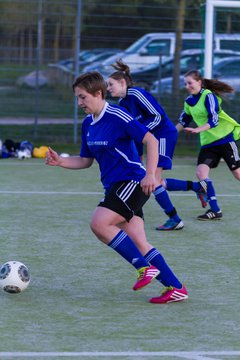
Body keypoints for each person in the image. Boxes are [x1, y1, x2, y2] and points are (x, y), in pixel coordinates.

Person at [46, 71, 188, 304]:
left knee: (99, 223)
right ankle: (176, 287)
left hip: (132, 181)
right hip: (114, 186)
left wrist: (151, 175)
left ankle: (144, 268)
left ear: (99, 94)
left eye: (83, 97)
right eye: (77, 98)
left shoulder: (118, 114)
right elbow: (85, 161)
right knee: (139, 241)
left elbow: (151, 140)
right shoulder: (88, 124)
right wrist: (60, 161)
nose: (80, 103)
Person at [107, 59, 207, 230]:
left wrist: (143, 134)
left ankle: (175, 219)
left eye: (110, 84)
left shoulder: (137, 94)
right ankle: (197, 187)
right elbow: (134, 133)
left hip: (163, 135)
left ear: (122, 83)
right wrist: (138, 156)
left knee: (153, 180)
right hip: (153, 139)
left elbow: (157, 117)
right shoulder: (123, 105)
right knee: (156, 181)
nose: (108, 88)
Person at [176, 69, 240, 220]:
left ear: (199, 82)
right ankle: (215, 210)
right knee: (201, 173)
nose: (187, 86)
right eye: (185, 83)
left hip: (224, 139)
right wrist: (170, 134)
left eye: (190, 83)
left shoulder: (208, 96)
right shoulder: (189, 102)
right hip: (208, 143)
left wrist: (198, 129)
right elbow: (183, 121)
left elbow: (214, 120)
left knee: (237, 173)